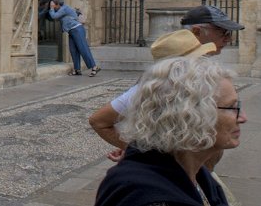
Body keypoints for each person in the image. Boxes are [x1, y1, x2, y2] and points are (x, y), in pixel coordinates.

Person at [94, 56, 246, 206]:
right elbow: (98, 121)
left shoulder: (195, 171)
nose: (243, 117)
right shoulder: (148, 196)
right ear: (189, 116)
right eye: (232, 108)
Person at [89, 28, 217, 154]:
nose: (204, 61)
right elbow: (98, 120)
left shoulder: (206, 84)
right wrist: (136, 151)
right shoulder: (145, 90)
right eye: (198, 58)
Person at [44, 0, 98, 75]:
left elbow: (54, 16)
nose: (53, 6)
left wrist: (51, 8)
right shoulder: (61, 10)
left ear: (58, 4)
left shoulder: (64, 8)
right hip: (71, 31)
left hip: (77, 29)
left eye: (53, 5)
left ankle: (94, 67)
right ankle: (77, 70)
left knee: (83, 48)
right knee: (73, 50)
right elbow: (51, 17)